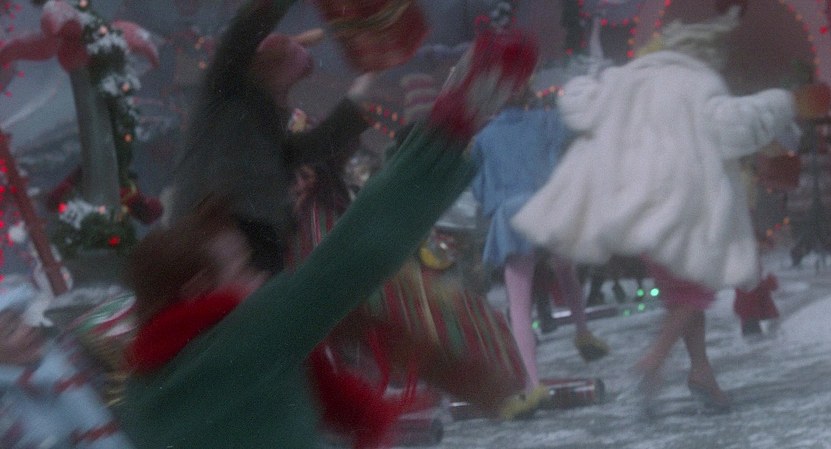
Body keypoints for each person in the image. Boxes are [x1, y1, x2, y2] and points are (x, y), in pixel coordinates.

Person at [117, 19, 539, 449]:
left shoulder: (141, 393)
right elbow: (352, 257)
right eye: (240, 269)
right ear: (196, 288)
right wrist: (451, 125)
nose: (259, 277)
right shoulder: (248, 338)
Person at [512, 6, 800, 413]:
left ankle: (702, 373)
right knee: (696, 289)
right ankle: (654, 360)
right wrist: (779, 104)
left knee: (683, 292)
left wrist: (579, 84)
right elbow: (732, 127)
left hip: (634, 208)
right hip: (684, 209)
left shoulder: (628, 79)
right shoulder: (701, 84)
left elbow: (581, 106)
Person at [167, 0, 372, 275]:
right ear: (266, 62)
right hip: (214, 225)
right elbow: (245, 29)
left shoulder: (268, 120)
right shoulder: (225, 88)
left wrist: (363, 93)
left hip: (258, 237)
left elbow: (316, 145)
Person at [469, 84, 609, 420]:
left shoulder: (484, 138)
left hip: (512, 214)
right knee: (565, 268)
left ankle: (533, 384)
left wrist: (496, 204)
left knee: (519, 305)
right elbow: (573, 136)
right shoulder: (545, 121)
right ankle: (582, 331)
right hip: (548, 206)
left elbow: (479, 187)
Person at [0, 281, 137, 449]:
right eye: (10, 330)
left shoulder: (69, 353)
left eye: (22, 319)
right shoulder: (7, 411)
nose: (28, 328)